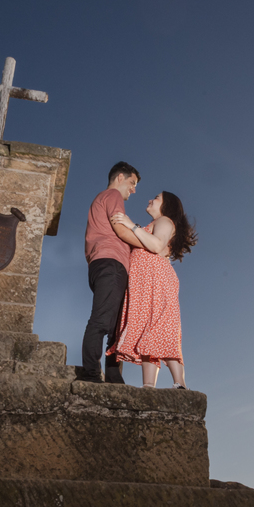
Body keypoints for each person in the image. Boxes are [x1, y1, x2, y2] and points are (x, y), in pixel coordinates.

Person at [107, 191, 197, 389]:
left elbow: (156, 245)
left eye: (156, 198)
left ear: (166, 205)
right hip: (145, 283)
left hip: (156, 280)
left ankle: (179, 383)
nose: (150, 200)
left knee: (161, 327)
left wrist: (132, 225)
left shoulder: (165, 220)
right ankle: (148, 386)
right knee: (148, 330)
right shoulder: (158, 222)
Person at [79, 161, 143, 383]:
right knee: (102, 321)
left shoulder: (101, 198)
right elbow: (120, 229)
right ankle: (91, 374)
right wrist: (150, 244)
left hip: (104, 265)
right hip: (110, 263)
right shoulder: (113, 195)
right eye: (132, 183)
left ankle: (114, 377)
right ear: (120, 178)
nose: (133, 190)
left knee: (116, 326)